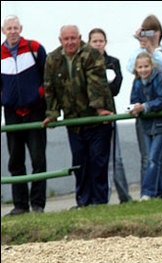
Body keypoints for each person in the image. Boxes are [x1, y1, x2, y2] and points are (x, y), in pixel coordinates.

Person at [43, 25, 114, 208]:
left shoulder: (91, 54)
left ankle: (99, 201)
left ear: (80, 38)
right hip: (73, 122)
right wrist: (52, 114)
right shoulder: (53, 59)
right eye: (66, 39)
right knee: (80, 163)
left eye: (73, 38)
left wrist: (99, 110)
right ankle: (82, 201)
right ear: (60, 40)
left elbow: (96, 82)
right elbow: (50, 87)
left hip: (96, 120)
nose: (70, 42)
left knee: (98, 161)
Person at [127, 15, 162, 198]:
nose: (149, 35)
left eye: (152, 31)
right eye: (145, 31)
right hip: (147, 118)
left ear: (159, 33)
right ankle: (152, 194)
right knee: (149, 158)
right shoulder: (138, 57)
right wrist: (140, 46)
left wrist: (153, 51)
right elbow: (131, 67)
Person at [1, 15, 47, 216]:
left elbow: (47, 76)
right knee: (15, 160)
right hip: (11, 113)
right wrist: (5, 98)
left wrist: (39, 95)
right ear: (3, 30)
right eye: (9, 28)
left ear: (21, 29)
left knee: (38, 159)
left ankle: (38, 204)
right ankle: (20, 205)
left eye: (15, 27)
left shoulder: (34, 48)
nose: (12, 31)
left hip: (35, 111)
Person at [88, 28, 132, 204]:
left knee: (116, 157)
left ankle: (123, 195)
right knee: (95, 157)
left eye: (101, 41)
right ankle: (98, 197)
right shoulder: (85, 63)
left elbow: (115, 88)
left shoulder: (113, 62)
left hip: (110, 111)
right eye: (95, 41)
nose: (98, 44)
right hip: (91, 114)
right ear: (89, 43)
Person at [129, 52, 162, 200]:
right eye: (140, 67)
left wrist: (146, 106)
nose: (143, 70)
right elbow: (134, 99)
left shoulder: (159, 79)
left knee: (155, 158)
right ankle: (158, 193)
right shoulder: (136, 83)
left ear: (152, 66)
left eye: (146, 66)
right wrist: (135, 108)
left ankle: (148, 192)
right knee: (150, 157)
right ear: (136, 69)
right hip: (147, 125)